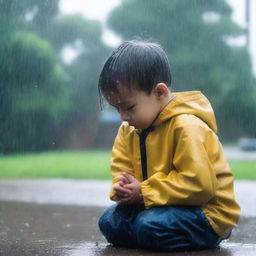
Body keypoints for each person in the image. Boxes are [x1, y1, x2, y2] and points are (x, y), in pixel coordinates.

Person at [97, 39, 240, 251]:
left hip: (206, 212)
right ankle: (148, 234)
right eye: (116, 108)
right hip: (157, 204)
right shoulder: (129, 130)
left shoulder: (186, 126)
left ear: (160, 93)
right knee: (109, 222)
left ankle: (201, 238)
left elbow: (199, 185)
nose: (123, 116)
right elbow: (122, 169)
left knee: (148, 227)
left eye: (129, 107)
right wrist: (122, 188)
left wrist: (144, 192)